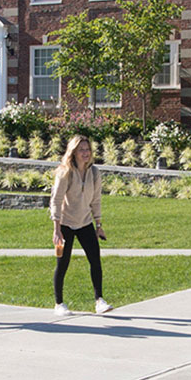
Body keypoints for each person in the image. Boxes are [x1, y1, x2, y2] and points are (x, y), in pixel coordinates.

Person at [51, 135, 112, 316]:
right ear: (73, 152)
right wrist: (56, 229)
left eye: (88, 150)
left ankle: (99, 300)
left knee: (95, 261)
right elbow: (56, 200)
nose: (86, 153)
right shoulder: (65, 172)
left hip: (85, 222)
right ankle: (59, 303)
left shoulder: (94, 172)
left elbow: (96, 200)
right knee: (63, 264)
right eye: (82, 150)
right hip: (66, 224)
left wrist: (98, 224)